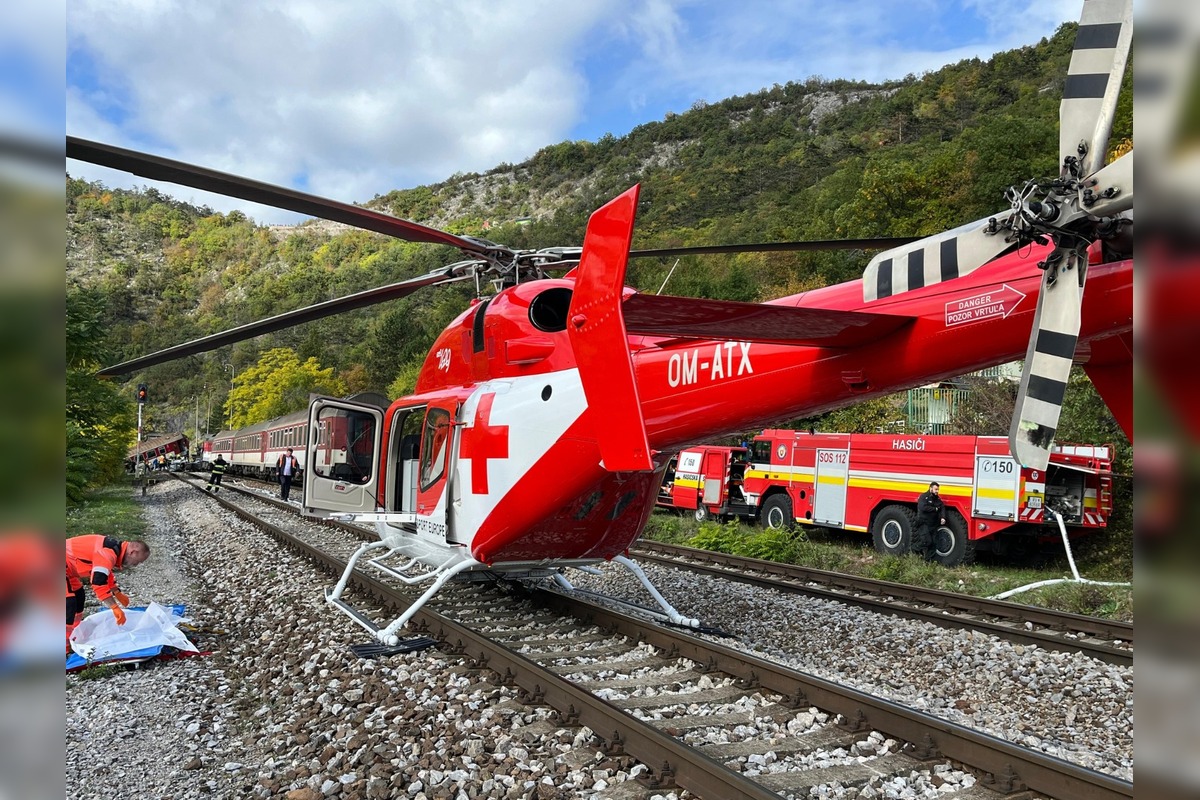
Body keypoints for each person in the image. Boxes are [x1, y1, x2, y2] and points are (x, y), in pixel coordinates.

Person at [65, 535, 150, 652]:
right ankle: (64, 647)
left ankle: (73, 634)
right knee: (68, 604)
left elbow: (104, 570)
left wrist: (116, 591)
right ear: (133, 552)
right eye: (139, 561)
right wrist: (114, 607)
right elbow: (98, 582)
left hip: (66, 566)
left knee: (79, 596)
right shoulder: (108, 553)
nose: (136, 565)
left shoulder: (114, 549)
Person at [913, 481, 946, 561]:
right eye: (935, 489)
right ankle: (914, 549)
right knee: (927, 541)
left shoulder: (937, 499)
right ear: (931, 488)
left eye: (938, 489)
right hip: (923, 522)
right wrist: (934, 509)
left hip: (933, 524)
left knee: (933, 544)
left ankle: (928, 561)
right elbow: (923, 507)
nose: (937, 491)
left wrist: (943, 517)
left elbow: (942, 507)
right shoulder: (924, 496)